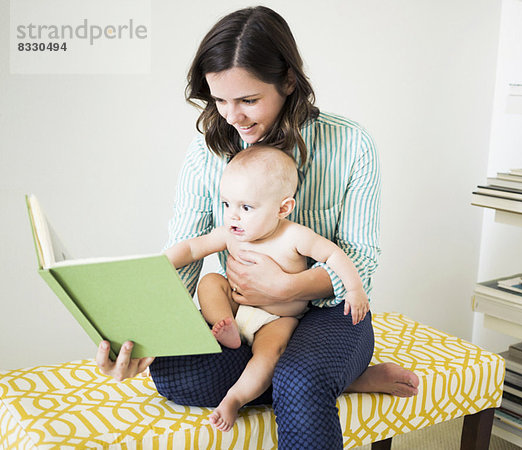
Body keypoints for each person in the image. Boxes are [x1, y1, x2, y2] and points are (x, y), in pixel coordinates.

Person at [95, 6, 419, 449]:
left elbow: (359, 259)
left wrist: (287, 288)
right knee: (174, 372)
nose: (233, 116)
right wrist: (140, 330)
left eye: (248, 100)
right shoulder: (207, 150)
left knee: (300, 377)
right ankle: (345, 379)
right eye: (219, 100)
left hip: (328, 314)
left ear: (288, 81)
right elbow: (186, 251)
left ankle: (311, 376)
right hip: (246, 318)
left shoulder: (352, 144)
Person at [164, 145, 370, 431]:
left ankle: (234, 398)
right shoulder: (231, 234)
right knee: (211, 282)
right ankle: (225, 325)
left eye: (246, 207)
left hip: (276, 320)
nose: (233, 216)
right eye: (226, 204)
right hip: (237, 307)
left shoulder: (294, 236)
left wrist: (354, 289)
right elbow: (191, 247)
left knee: (268, 355)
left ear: (283, 208)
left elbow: (334, 255)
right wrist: (159, 264)